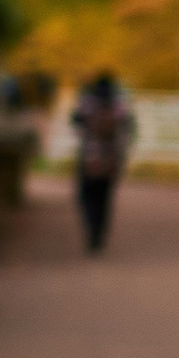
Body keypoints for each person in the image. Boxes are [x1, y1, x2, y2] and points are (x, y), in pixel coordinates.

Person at [70, 69, 135, 254]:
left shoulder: (88, 102)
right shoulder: (119, 104)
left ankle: (91, 227)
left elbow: (75, 121)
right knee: (104, 198)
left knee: (86, 196)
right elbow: (129, 128)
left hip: (89, 157)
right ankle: (99, 232)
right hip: (111, 158)